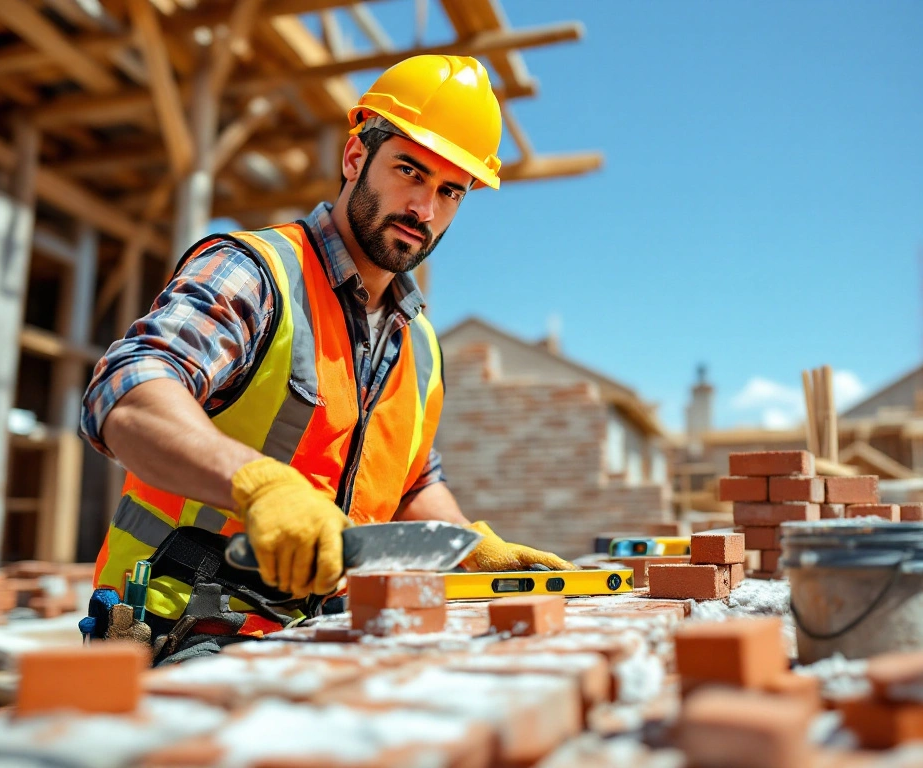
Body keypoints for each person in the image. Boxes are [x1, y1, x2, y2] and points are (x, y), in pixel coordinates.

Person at [79, 55, 574, 662]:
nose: (424, 209)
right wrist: (258, 485)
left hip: (319, 636)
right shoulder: (257, 272)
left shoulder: (418, 343)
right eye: (410, 171)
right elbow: (128, 388)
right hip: (175, 628)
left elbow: (412, 482)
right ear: (355, 158)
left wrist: (468, 549)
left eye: (450, 191)